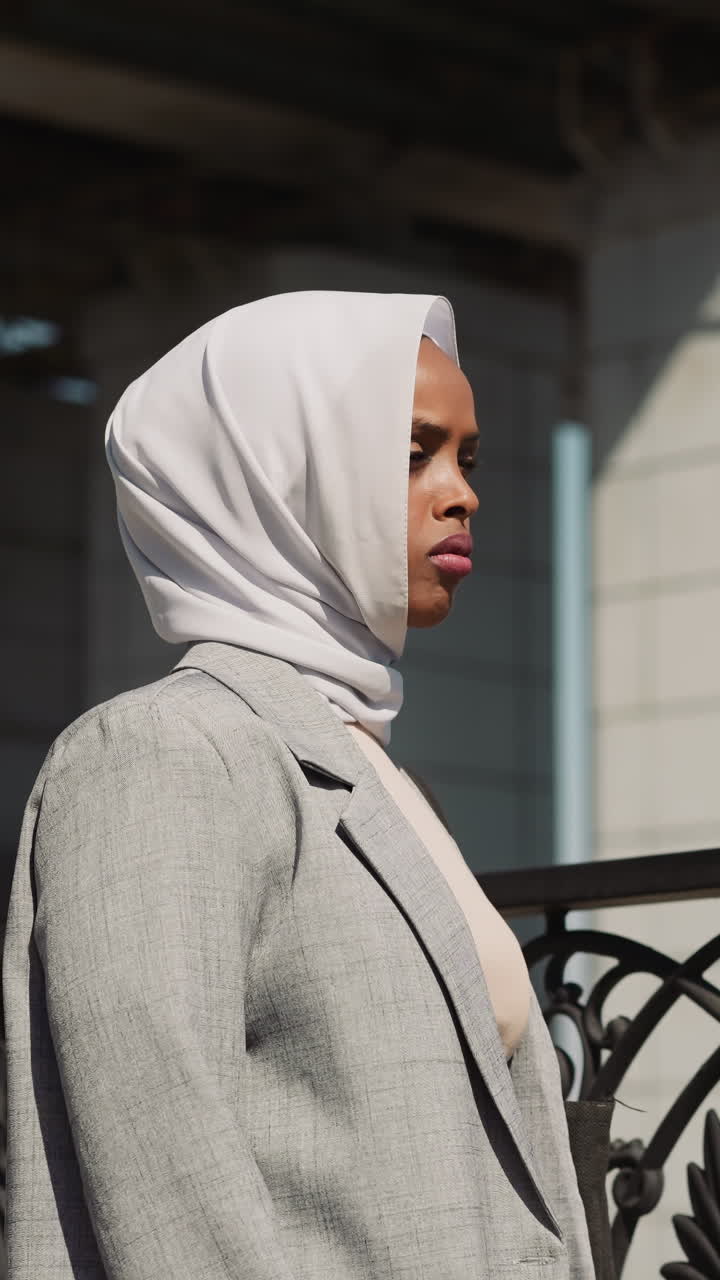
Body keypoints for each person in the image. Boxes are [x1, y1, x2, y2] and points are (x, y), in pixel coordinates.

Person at [3, 291, 595, 1278]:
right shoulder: (163, 749)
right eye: (413, 452)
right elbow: (161, 1175)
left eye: (468, 458)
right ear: (271, 472)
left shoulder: (381, 772)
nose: (462, 493)